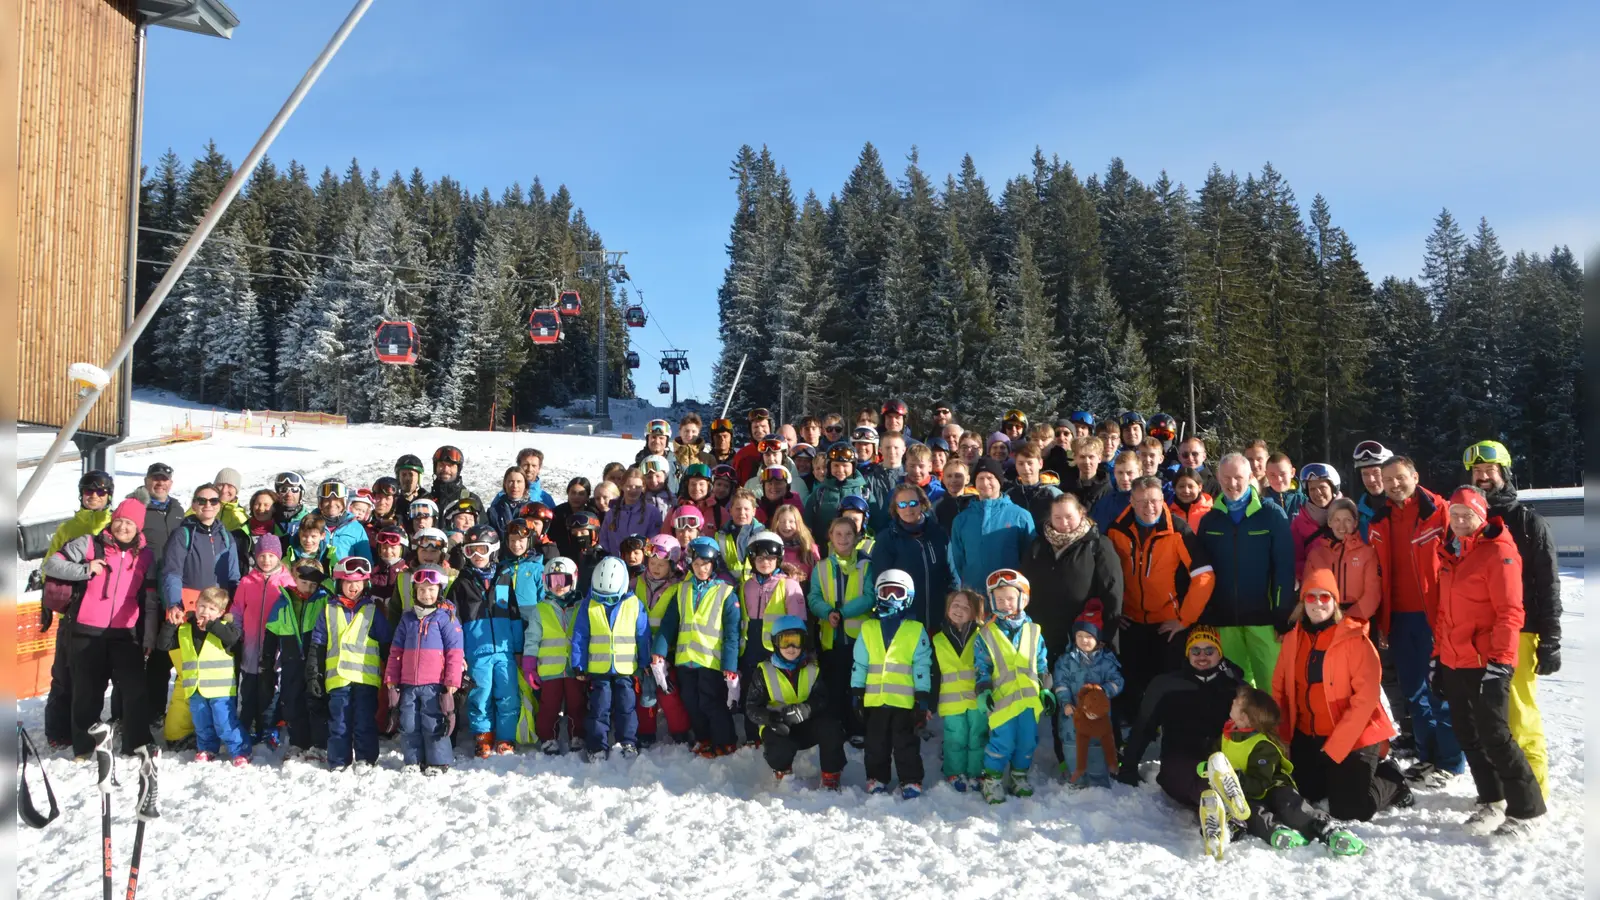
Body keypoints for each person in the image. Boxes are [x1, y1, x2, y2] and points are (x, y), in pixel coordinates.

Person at [1433, 485, 1546, 837]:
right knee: (1468, 734)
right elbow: (1444, 612)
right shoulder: (1450, 551)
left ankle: (1528, 811)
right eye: (1455, 515)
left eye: (1468, 515)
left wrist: (1501, 662)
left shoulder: (1499, 552)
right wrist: (1437, 657)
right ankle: (1492, 798)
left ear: (1482, 517)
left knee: (1495, 734)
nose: (1461, 520)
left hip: (1486, 660)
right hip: (1454, 658)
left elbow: (1511, 612)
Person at [1270, 569, 1410, 822]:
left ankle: (1392, 779)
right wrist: (1282, 736)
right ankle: (1331, 774)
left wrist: (1335, 747)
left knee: (1349, 810)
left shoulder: (1355, 640)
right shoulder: (1292, 639)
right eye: (1310, 597)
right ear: (1302, 602)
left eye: (1325, 597)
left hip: (1353, 736)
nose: (1317, 603)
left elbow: (1364, 701)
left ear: (1335, 602)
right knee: (1306, 795)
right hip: (1309, 734)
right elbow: (1279, 689)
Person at [1466, 440, 1559, 796]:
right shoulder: (1468, 522)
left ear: (1504, 473)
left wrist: (1550, 639)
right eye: (1477, 472)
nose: (1483, 477)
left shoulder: (1528, 522)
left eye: (1489, 471)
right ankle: (1503, 786)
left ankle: (1533, 791)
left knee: (1520, 714)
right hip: (1479, 633)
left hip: (1521, 630)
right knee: (1489, 717)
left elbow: (1548, 585)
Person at [1367, 455, 1464, 787]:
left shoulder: (1440, 511)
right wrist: (1381, 622)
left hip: (1436, 615)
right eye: (1389, 479)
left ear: (1415, 475)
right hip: (1399, 618)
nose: (1395, 484)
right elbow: (1379, 574)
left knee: (1442, 689)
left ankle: (1450, 762)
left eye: (1400, 477)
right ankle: (1427, 756)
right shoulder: (1379, 521)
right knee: (1413, 691)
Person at [40, 497, 155, 758]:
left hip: (126, 633)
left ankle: (135, 743)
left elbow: (149, 599)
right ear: (113, 521)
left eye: (130, 523)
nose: (123, 527)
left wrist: (148, 636)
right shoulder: (90, 544)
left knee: (134, 690)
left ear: (139, 528)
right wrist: (85, 569)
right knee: (87, 693)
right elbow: (52, 564)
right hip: (85, 630)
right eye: (120, 521)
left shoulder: (146, 555)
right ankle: (84, 747)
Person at [1104, 476, 1214, 730]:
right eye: (1141, 501)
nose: (1148, 507)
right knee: (1130, 682)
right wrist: (1113, 610)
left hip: (1167, 622)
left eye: (1154, 500)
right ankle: (1132, 732)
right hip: (1130, 620)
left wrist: (1184, 618)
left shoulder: (1178, 530)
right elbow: (1104, 574)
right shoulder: (1116, 530)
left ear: (1162, 499)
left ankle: (1169, 732)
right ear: (1131, 501)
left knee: (1166, 681)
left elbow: (1204, 575)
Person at [1213, 686, 1366, 855]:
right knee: (1252, 813)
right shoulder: (1227, 735)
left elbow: (1260, 784)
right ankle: (1277, 832)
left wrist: (1237, 779)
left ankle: (1326, 828)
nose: (1233, 701)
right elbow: (1214, 755)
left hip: (1273, 787)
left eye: (1237, 702)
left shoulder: (1263, 746)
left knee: (1290, 807)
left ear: (1244, 718)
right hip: (1247, 792)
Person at [1194, 454, 1293, 690]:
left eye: (1238, 477)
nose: (1232, 483)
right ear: (1218, 478)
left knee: (1272, 687)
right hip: (1225, 620)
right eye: (1226, 477)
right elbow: (1203, 572)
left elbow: (1284, 568)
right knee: (1234, 689)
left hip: (1265, 620)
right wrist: (1206, 612)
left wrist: (1282, 614)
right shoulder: (1211, 520)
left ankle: (1274, 729)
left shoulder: (1271, 515)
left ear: (1250, 477)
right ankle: (1240, 729)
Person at [1117, 626, 1242, 812]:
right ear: (1187, 653)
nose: (1202, 656)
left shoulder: (1235, 687)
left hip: (1222, 759)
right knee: (1181, 777)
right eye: (1195, 650)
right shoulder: (1166, 685)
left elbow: (1255, 726)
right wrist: (1128, 767)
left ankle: (1228, 811)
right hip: (1181, 758)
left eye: (1209, 650)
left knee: (1237, 778)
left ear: (1220, 654)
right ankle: (1216, 807)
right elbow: (1144, 726)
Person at [39, 469, 117, 747]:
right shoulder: (69, 528)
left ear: (109, 495)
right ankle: (58, 730)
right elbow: (49, 567)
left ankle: (88, 727)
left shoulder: (117, 524)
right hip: (74, 608)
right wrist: (47, 604)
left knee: (94, 676)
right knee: (65, 671)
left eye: (101, 491)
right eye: (89, 491)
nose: (94, 496)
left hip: (106, 611)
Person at [160, 482, 241, 746]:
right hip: (188, 610)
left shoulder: (226, 536)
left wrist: (232, 612)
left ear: (220, 505)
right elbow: (172, 571)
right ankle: (176, 734)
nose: (207, 505)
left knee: (210, 676)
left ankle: (206, 729)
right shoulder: (184, 534)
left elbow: (233, 577)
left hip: (216, 610)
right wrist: (174, 604)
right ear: (194, 504)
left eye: (213, 501)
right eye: (201, 500)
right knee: (188, 676)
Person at [653, 537, 742, 757]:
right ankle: (704, 738)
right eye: (696, 564)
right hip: (686, 660)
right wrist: (659, 654)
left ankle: (725, 740)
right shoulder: (682, 591)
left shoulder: (726, 593)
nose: (701, 569)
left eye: (706, 564)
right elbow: (668, 624)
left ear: (714, 565)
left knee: (710, 703)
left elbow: (732, 634)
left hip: (711, 661)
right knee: (691, 703)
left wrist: (730, 668)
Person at [852, 569, 933, 798]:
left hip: (904, 701)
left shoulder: (915, 630)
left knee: (905, 743)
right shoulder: (868, 628)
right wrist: (857, 692)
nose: (891, 599)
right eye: (886, 592)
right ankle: (876, 778)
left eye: (897, 593)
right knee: (876, 744)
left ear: (907, 597)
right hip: (875, 700)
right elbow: (860, 663)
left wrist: (922, 697)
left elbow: (921, 666)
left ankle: (911, 780)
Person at [307, 557, 393, 772]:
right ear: (338, 583)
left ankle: (365, 759)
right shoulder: (328, 611)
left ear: (366, 584)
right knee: (339, 723)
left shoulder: (373, 611)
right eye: (347, 582)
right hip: (337, 680)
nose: (353, 587)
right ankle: (338, 761)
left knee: (365, 721)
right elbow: (317, 645)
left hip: (366, 680)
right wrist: (313, 674)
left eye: (358, 582)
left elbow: (386, 646)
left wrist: (393, 676)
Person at [974, 570, 1053, 804]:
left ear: (1023, 600)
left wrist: (1046, 689)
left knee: (1027, 742)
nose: (1004, 604)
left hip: (1029, 701)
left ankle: (1019, 777)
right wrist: (983, 689)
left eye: (1009, 598)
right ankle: (992, 779)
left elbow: (1041, 663)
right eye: (998, 600)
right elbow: (981, 667)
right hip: (1002, 702)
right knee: (1002, 742)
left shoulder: (1034, 631)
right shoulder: (986, 634)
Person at [744, 615, 845, 790]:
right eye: (785, 642)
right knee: (778, 746)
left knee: (832, 728)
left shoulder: (813, 668)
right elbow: (752, 707)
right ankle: (782, 770)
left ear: (803, 643)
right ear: (776, 643)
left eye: (796, 642)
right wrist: (771, 719)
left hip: (807, 724)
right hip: (780, 727)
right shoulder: (764, 671)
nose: (791, 648)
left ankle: (831, 774)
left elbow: (822, 698)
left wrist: (806, 709)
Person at [447, 523, 522, 757]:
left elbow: (514, 614)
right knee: (480, 695)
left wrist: (518, 648)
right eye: (470, 551)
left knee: (508, 694)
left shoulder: (504, 578)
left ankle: (506, 738)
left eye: (481, 549)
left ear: (493, 549)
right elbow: (453, 624)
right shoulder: (460, 583)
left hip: (504, 649)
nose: (477, 556)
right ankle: (483, 737)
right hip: (476, 651)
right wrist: (458, 655)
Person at [570, 556, 652, 761]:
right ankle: (597, 745)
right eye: (602, 596)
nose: (606, 601)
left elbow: (643, 635)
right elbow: (580, 635)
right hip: (599, 670)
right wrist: (579, 664)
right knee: (599, 707)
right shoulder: (588, 605)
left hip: (625, 668)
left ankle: (629, 741)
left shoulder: (634, 604)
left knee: (627, 706)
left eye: (611, 597)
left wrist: (644, 661)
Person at [384, 563, 464, 775]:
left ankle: (438, 761)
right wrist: (392, 677)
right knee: (409, 723)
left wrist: (452, 681)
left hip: (435, 684)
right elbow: (395, 651)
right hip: (408, 683)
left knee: (433, 722)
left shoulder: (446, 618)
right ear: (414, 592)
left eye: (431, 589)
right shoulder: (407, 618)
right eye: (421, 590)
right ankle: (413, 760)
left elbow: (455, 652)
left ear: (439, 590)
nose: (426, 594)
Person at [158, 586, 249, 765]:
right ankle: (207, 748)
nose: (205, 612)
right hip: (195, 687)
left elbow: (232, 639)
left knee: (225, 723)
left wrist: (211, 625)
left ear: (221, 612)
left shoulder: (226, 628)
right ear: (196, 605)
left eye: (212, 609)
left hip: (220, 690)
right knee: (202, 723)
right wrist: (170, 625)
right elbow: (163, 645)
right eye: (202, 606)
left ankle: (240, 751)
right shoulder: (185, 629)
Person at [808, 517, 874, 748]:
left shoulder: (866, 566)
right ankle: (837, 728)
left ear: (856, 538)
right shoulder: (822, 567)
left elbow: (869, 596)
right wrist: (827, 613)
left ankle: (858, 728)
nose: (844, 539)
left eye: (848, 534)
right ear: (830, 537)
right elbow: (813, 597)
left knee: (857, 686)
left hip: (859, 639)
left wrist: (843, 612)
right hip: (832, 637)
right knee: (835, 686)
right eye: (839, 534)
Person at [737, 532, 807, 744]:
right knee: (752, 691)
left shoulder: (789, 585)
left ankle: (782, 732)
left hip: (778, 648)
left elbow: (798, 621)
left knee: (775, 690)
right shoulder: (746, 585)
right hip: (751, 647)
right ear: (752, 560)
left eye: (770, 558)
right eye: (759, 558)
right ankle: (752, 735)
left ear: (778, 559)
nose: (765, 562)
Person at [230, 534, 296, 745]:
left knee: (270, 691)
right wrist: (237, 632)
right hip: (249, 644)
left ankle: (268, 729)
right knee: (248, 689)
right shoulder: (247, 581)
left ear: (278, 557)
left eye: (271, 555)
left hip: (274, 648)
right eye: (262, 555)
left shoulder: (286, 581)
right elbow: (237, 609)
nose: (266, 560)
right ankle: (245, 725)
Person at [866, 483, 957, 632]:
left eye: (913, 503)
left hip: (939, 618)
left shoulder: (938, 533)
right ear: (895, 509)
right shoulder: (887, 539)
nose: (908, 509)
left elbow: (952, 573)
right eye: (902, 504)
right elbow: (881, 581)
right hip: (906, 622)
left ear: (922, 504)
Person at [1051, 601, 1123, 787]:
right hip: (1072, 718)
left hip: (1098, 717)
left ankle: (1098, 780)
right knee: (1073, 748)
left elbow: (1118, 681)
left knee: (1097, 750)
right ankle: (1077, 779)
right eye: (1080, 635)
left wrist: (1104, 691)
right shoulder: (1066, 660)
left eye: (1089, 636)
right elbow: (1060, 683)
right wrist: (1065, 702)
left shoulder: (1106, 661)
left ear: (1098, 638)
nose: (1084, 640)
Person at [266, 562, 332, 760]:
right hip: (291, 659)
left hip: (316, 660)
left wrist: (325, 584)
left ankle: (319, 743)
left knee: (316, 699)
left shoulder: (324, 600)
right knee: (293, 701)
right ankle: (298, 742)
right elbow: (272, 630)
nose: (309, 588)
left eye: (313, 584)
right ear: (294, 578)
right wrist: (267, 657)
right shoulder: (283, 601)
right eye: (304, 582)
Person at [522, 557, 586, 754]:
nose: (558, 586)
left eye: (563, 580)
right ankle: (548, 737)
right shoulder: (541, 609)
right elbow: (532, 639)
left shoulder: (582, 606)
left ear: (573, 580)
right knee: (549, 705)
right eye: (553, 581)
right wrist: (529, 666)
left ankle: (578, 735)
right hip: (549, 668)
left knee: (578, 703)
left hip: (575, 667)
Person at [633, 537, 692, 747]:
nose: (656, 568)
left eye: (661, 565)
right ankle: (645, 731)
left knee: (668, 692)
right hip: (641, 648)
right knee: (643, 692)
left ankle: (680, 731)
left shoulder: (678, 587)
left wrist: (665, 651)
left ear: (673, 564)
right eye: (652, 563)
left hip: (666, 650)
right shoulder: (638, 582)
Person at [949, 457, 1035, 593]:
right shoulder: (962, 519)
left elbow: (1029, 557)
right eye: (980, 478)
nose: (985, 483)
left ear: (999, 481)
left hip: (1008, 596)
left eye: (990, 477)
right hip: (974, 595)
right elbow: (958, 560)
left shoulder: (1020, 516)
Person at [931, 589, 987, 791]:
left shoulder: (983, 635)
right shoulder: (938, 638)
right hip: (952, 700)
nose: (959, 610)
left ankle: (977, 773)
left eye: (966, 607)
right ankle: (954, 772)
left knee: (978, 736)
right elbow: (934, 674)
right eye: (955, 605)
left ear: (975, 613)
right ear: (947, 609)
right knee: (955, 737)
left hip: (977, 699)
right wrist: (929, 704)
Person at [1303, 498, 1381, 622]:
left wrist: (1348, 618)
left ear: (1355, 523)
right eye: (1337, 520)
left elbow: (1372, 595)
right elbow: (1308, 591)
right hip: (1326, 616)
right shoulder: (1316, 555)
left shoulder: (1367, 553)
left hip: (1359, 619)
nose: (1342, 526)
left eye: (1347, 520)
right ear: (1329, 522)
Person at [805, 444, 870, 538]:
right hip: (824, 548)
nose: (840, 470)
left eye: (845, 465)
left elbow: (876, 523)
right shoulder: (820, 493)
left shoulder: (863, 493)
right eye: (836, 465)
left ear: (853, 467)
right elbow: (807, 522)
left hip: (856, 548)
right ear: (829, 466)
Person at [1290, 463, 1341, 579]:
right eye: (1312, 489)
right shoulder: (1299, 522)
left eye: (1322, 487)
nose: (1317, 493)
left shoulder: (1349, 515)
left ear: (1333, 488)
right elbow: (1296, 561)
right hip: (1316, 588)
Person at [1006, 441, 1063, 534]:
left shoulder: (1054, 494)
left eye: (1030, 463)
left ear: (1040, 464)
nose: (1026, 468)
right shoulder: (1009, 496)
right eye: (1020, 463)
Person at [315, 480, 373, 563]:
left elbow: (366, 562)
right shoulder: (310, 524)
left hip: (344, 574)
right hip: (314, 574)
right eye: (327, 500)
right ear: (320, 502)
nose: (332, 504)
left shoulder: (356, 529)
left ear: (344, 502)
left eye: (337, 499)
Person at [1089, 450, 1141, 533]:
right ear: (1114, 473)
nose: (1125, 478)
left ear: (1140, 473)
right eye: (1120, 473)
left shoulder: (1147, 502)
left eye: (1129, 473)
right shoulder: (1104, 503)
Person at [1350, 440, 1392, 539]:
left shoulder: (1405, 509)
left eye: (1376, 472)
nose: (1371, 480)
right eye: (1365, 474)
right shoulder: (1356, 516)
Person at [427, 445, 484, 513]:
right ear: (435, 468)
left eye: (451, 465)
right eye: (441, 465)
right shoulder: (427, 500)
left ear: (458, 469)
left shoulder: (471, 500)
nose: (446, 469)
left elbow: (483, 523)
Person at [1061, 436, 1110, 511]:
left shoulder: (1107, 488)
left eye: (1091, 457)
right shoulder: (1066, 486)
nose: (1087, 462)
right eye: (1082, 457)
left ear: (1099, 458)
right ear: (1075, 458)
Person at [733, 407, 776, 485]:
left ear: (770, 427)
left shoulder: (778, 451)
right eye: (755, 427)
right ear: (750, 430)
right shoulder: (742, 455)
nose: (759, 430)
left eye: (763, 426)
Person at [487, 467, 532, 536]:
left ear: (525, 484)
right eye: (511, 481)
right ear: (505, 483)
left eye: (519, 481)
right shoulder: (494, 512)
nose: (515, 486)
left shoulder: (533, 510)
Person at [1166, 466, 1213, 531]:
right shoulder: (1167, 514)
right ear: (1174, 488)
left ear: (1200, 487)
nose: (1186, 491)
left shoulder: (1210, 513)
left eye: (1191, 486)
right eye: (1181, 486)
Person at [1262, 452, 1304, 518]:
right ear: (1266, 475)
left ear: (1292, 473)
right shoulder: (1261, 501)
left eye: (1282, 474)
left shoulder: (1304, 502)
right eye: (1273, 475)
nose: (1278, 479)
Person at [272, 471, 311, 537]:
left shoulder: (310, 521)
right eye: (284, 489)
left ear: (301, 494)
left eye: (294, 489)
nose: (289, 494)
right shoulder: (269, 519)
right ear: (278, 493)